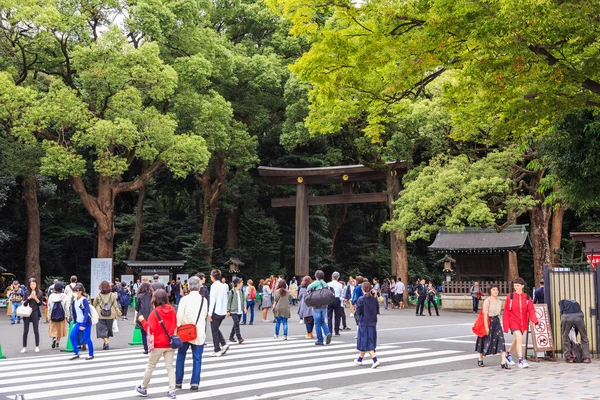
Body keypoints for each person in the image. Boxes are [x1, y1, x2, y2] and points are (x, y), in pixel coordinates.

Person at [136, 289, 177, 399]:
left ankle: (143, 388)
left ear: (155, 299)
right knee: (170, 367)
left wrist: (142, 320)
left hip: (158, 344)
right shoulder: (172, 310)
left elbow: (150, 329)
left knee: (150, 366)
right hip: (170, 343)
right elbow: (175, 325)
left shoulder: (154, 313)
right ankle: (172, 390)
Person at [175, 276, 208, 391]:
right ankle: (195, 383)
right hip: (198, 332)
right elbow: (204, 315)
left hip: (184, 332)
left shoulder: (184, 299)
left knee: (180, 356)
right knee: (197, 358)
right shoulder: (204, 300)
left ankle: (178, 382)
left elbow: (179, 317)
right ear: (199, 288)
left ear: (188, 287)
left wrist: (177, 329)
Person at [502, 277, 539, 368]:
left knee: (517, 339)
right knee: (518, 337)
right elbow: (506, 311)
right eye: (515, 286)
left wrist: (535, 321)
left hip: (522, 322)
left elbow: (531, 310)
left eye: (518, 286)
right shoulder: (510, 297)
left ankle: (508, 355)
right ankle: (520, 360)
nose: (516, 287)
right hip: (513, 320)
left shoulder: (527, 297)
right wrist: (506, 325)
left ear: (522, 286)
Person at [475, 284, 509, 369]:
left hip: (496, 322)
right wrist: (486, 327)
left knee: (501, 340)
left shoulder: (500, 301)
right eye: (493, 290)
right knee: (486, 341)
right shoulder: (487, 301)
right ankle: (480, 358)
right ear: (490, 291)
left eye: (497, 290)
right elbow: (485, 315)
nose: (496, 291)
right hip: (488, 322)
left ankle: (503, 362)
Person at [354, 281, 380, 368]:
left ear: (362, 289)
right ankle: (359, 359)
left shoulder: (361, 299)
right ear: (371, 289)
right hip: (372, 323)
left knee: (366, 342)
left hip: (364, 323)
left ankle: (375, 360)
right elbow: (377, 311)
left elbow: (358, 312)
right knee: (367, 341)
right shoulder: (374, 299)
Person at [559, 299, 591, 363]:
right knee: (584, 336)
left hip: (567, 316)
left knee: (565, 336)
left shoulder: (561, 302)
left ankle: (569, 358)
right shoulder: (576, 302)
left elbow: (561, 311)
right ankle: (586, 358)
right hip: (579, 316)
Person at [68, 283, 94, 360]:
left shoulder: (84, 300)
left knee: (87, 338)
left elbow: (86, 312)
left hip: (86, 322)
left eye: (76, 291)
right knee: (72, 336)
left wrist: (83, 324)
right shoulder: (75, 301)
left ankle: (91, 354)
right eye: (74, 291)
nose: (75, 293)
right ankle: (76, 352)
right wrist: (75, 322)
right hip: (78, 322)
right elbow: (74, 312)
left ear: (80, 292)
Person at [307, 270, 332, 346]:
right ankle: (327, 333)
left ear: (316, 276)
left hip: (316, 305)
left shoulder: (316, 282)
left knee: (317, 323)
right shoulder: (325, 283)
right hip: (324, 304)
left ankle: (320, 340)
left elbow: (308, 287)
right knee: (322, 321)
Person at [93, 280, 121, 350]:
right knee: (108, 329)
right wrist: (117, 313)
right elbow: (115, 305)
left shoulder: (98, 295)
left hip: (100, 314)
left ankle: (106, 342)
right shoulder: (113, 295)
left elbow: (94, 304)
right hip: (110, 314)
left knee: (102, 329)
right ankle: (106, 342)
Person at [208, 269, 230, 357]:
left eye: (210, 275)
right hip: (222, 311)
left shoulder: (214, 286)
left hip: (215, 311)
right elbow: (226, 299)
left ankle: (217, 349)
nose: (210, 276)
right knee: (216, 328)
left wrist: (210, 313)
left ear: (213, 276)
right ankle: (223, 344)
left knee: (214, 330)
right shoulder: (224, 286)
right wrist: (226, 310)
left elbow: (212, 300)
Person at [21, 278, 44, 353]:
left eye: (34, 284)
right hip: (27, 312)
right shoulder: (26, 292)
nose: (32, 286)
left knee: (36, 330)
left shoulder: (39, 292)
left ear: (36, 284)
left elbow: (40, 303)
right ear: (29, 285)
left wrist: (36, 298)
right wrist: (29, 298)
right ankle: (24, 347)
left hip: (35, 312)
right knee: (25, 330)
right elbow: (24, 303)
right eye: (31, 284)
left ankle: (37, 346)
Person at [48, 281, 69, 349]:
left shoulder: (51, 296)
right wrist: (67, 316)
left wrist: (49, 316)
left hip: (53, 315)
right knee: (60, 329)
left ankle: (54, 338)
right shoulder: (65, 296)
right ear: (62, 289)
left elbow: (49, 307)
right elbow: (66, 307)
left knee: (53, 328)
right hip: (61, 315)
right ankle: (57, 342)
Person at [135, 282, 154, 354]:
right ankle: (151, 346)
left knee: (143, 333)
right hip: (151, 315)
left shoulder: (139, 296)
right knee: (151, 332)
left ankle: (146, 349)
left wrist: (135, 317)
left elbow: (137, 307)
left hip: (142, 316)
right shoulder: (152, 295)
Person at [227, 277, 246, 344]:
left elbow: (244, 300)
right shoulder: (231, 291)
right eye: (241, 282)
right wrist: (228, 311)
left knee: (236, 324)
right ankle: (239, 338)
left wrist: (244, 308)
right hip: (233, 310)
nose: (242, 284)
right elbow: (228, 302)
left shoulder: (241, 291)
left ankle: (231, 337)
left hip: (240, 310)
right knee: (237, 323)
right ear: (238, 283)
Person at [327, 272, 344, 336]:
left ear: (332, 277)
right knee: (337, 316)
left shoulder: (328, 284)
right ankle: (336, 331)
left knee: (329, 316)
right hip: (337, 299)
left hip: (330, 299)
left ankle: (329, 331)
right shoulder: (340, 285)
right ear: (338, 277)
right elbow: (341, 294)